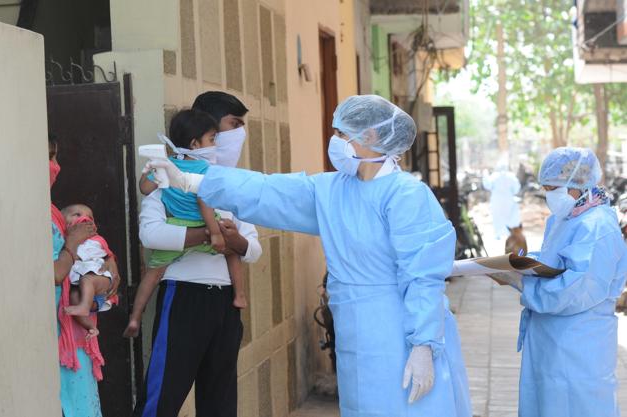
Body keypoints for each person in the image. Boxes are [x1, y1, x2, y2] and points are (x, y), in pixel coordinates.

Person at [146, 95, 472, 416]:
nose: (335, 141)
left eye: (342, 134)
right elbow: (265, 191)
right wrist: (190, 180)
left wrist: (424, 344)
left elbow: (422, 275)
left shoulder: (406, 195)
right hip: (353, 331)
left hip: (399, 329)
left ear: (371, 136)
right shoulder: (332, 190)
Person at [132, 92, 262, 417]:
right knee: (161, 397)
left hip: (225, 303)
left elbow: (253, 247)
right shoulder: (168, 176)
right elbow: (150, 233)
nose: (232, 139)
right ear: (202, 134)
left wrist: (235, 242)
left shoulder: (234, 183)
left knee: (220, 402)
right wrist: (208, 234)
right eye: (229, 128)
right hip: (183, 295)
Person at [516, 147, 627, 417]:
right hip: (552, 339)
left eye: (553, 188)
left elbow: (575, 291)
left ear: (577, 184)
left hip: (579, 342)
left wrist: (522, 284)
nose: (549, 196)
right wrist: (522, 263)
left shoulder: (597, 226)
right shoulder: (566, 218)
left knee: (578, 407)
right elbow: (556, 260)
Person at [123, 109, 246, 338]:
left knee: (153, 273)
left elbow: (145, 189)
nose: (215, 145)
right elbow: (204, 200)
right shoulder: (205, 169)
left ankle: (136, 316)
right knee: (231, 252)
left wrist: (149, 171)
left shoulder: (166, 166)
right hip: (205, 222)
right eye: (212, 140)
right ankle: (239, 294)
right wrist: (214, 232)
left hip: (176, 224)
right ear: (195, 143)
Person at [49, 134, 120, 416]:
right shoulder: (37, 215)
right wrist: (73, 242)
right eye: (49, 157)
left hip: (72, 323)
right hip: (55, 326)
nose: (56, 166)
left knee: (81, 399)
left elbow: (102, 256)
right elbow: (55, 273)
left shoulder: (53, 211)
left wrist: (111, 268)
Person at [62, 204, 115, 322]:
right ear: (62, 220)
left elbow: (109, 255)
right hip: (79, 282)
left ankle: (84, 306)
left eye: (90, 218)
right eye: (77, 215)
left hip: (97, 276)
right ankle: (90, 327)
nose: (85, 219)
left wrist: (111, 263)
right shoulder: (63, 239)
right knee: (74, 296)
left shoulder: (97, 239)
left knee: (87, 280)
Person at [483, 161, 522, 240]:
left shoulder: (494, 176)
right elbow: (517, 188)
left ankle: (498, 234)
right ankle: (509, 233)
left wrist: (485, 175)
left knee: (497, 217)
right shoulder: (511, 176)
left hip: (496, 200)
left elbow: (488, 185)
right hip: (508, 200)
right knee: (509, 216)